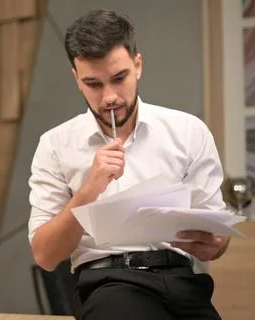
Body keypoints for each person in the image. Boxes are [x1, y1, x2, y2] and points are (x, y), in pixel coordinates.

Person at [28, 9, 229, 320]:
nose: (109, 97)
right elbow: (44, 255)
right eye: (93, 84)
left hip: (182, 279)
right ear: (76, 79)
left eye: (119, 78)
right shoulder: (55, 145)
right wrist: (89, 189)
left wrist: (215, 244)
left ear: (138, 65)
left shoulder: (189, 131)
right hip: (109, 284)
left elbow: (217, 238)